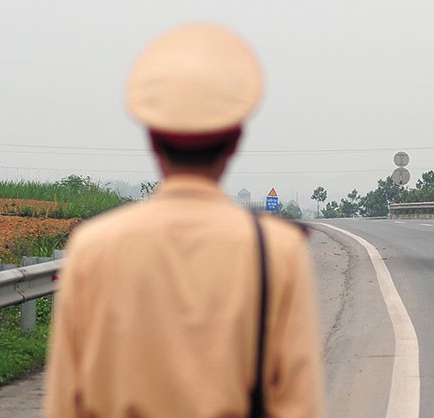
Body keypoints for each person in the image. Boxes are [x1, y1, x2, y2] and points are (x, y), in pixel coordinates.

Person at [44, 23, 325, 418]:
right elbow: (298, 405)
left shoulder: (93, 247)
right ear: (235, 140)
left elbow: (64, 405)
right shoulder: (278, 251)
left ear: (153, 139)